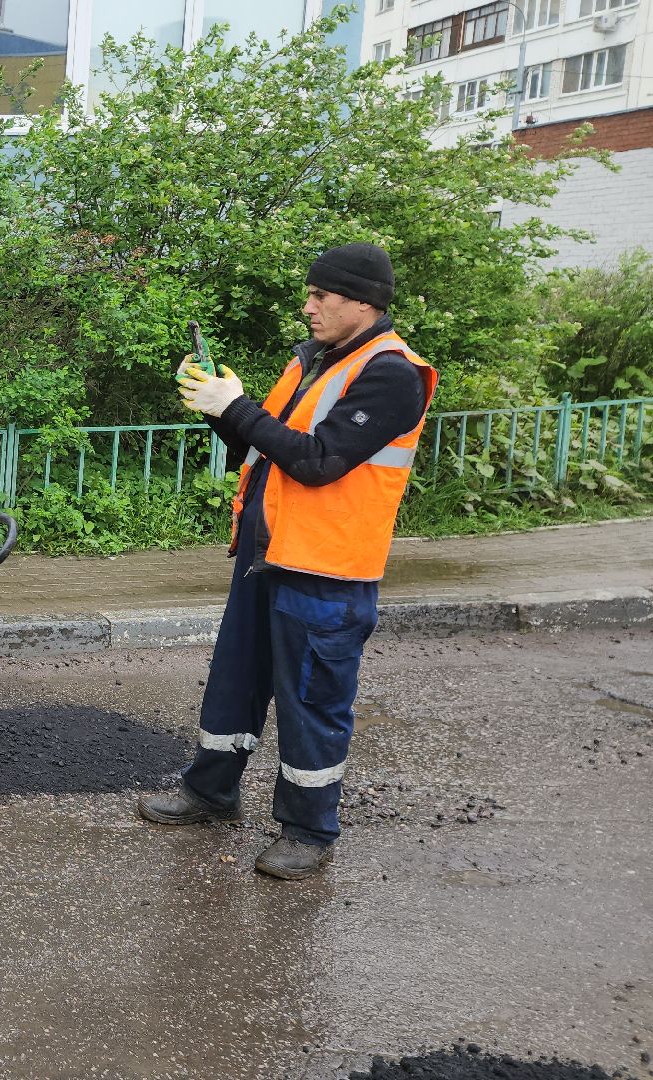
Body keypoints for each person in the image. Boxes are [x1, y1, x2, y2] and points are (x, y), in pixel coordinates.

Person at [137, 243, 437, 879]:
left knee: (312, 702)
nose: (309, 307)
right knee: (235, 681)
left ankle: (307, 829)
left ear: (364, 302)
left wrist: (236, 406)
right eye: (310, 295)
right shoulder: (314, 362)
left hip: (326, 570)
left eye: (321, 296)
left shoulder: (392, 374)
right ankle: (210, 792)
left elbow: (319, 462)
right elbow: (264, 446)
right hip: (267, 553)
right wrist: (218, 406)